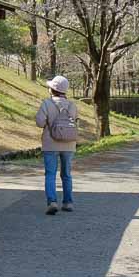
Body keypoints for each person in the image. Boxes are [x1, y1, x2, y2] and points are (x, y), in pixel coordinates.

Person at [35, 74, 78, 214]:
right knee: (66, 174)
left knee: (50, 174)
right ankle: (68, 202)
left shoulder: (47, 104)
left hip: (50, 144)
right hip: (69, 144)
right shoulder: (72, 105)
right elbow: (76, 122)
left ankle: (52, 201)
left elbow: (40, 123)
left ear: (52, 90)